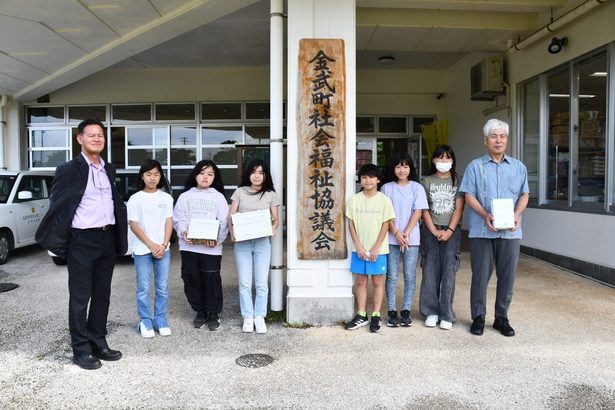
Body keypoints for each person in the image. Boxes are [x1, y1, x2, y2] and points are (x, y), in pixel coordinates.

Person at [35, 118, 128, 370]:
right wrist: (61, 241)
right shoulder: (68, 169)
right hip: (82, 240)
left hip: (107, 238)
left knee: (102, 295)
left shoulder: (108, 168)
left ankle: (98, 341)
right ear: (80, 139)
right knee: (79, 298)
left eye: (100, 135)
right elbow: (59, 206)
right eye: (91, 135)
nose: (97, 139)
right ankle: (80, 348)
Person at [459, 119, 529, 337]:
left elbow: (525, 194)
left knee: (507, 276)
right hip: (482, 230)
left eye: (502, 136)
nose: (498, 140)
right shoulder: (475, 166)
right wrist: (485, 214)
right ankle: (478, 317)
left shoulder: (519, 167)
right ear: (485, 140)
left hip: (510, 231)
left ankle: (501, 318)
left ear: (506, 140)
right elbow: (468, 195)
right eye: (494, 136)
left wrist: (517, 215)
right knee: (480, 275)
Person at [173, 160, 229, 331]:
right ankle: (200, 311)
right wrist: (183, 232)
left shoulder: (218, 197)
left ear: (214, 178)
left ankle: (213, 313)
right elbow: (179, 218)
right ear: (195, 174)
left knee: (211, 279)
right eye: (202, 173)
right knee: (192, 279)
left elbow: (224, 222)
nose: (205, 177)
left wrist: (217, 239)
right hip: (189, 247)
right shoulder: (185, 197)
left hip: (211, 249)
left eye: (210, 174)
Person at [228, 159, 280, 334]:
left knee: (261, 282)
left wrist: (273, 227)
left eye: (261, 172)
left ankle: (260, 316)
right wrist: (232, 232)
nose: (257, 176)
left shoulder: (271, 194)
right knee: (244, 281)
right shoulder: (239, 192)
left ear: (265, 176)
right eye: (254, 172)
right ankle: (248, 317)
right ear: (248, 174)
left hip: (262, 242)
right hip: (242, 242)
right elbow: (231, 216)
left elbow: (276, 219)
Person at [344, 163, 395, 333]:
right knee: (360, 281)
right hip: (358, 249)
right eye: (364, 177)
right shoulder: (354, 200)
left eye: (371, 177)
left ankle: (375, 315)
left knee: (378, 281)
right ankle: (361, 315)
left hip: (377, 250)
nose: (368, 180)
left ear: (378, 179)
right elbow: (350, 224)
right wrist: (357, 244)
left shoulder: (384, 200)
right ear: (360, 180)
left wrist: (376, 247)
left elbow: (386, 224)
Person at [420, 145, 465, 330]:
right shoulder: (426, 181)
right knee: (430, 270)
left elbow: (459, 208)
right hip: (430, 230)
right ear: (433, 161)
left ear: (452, 161)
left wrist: (450, 231)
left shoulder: (458, 181)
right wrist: (433, 230)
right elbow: (423, 209)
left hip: (452, 231)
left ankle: (446, 313)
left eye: (447, 159)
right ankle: (431, 311)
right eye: (440, 159)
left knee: (449, 271)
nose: (443, 162)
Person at [380, 153, 428, 328]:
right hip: (391, 238)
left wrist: (405, 233)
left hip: (411, 239)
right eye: (398, 166)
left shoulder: (417, 187)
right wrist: (397, 233)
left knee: (409, 276)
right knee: (391, 276)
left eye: (406, 166)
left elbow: (418, 211)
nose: (402, 170)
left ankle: (406, 311)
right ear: (393, 169)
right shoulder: (386, 188)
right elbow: (385, 213)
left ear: (410, 169)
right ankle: (392, 311)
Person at [127, 159, 174, 338]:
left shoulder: (166, 198)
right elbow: (134, 225)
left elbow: (169, 222)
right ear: (142, 176)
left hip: (163, 249)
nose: (152, 178)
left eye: (156, 174)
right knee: (144, 287)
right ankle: (145, 321)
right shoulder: (135, 198)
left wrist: (163, 244)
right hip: (142, 250)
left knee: (162, 287)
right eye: (148, 174)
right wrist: (151, 244)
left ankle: (160, 319)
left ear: (160, 176)